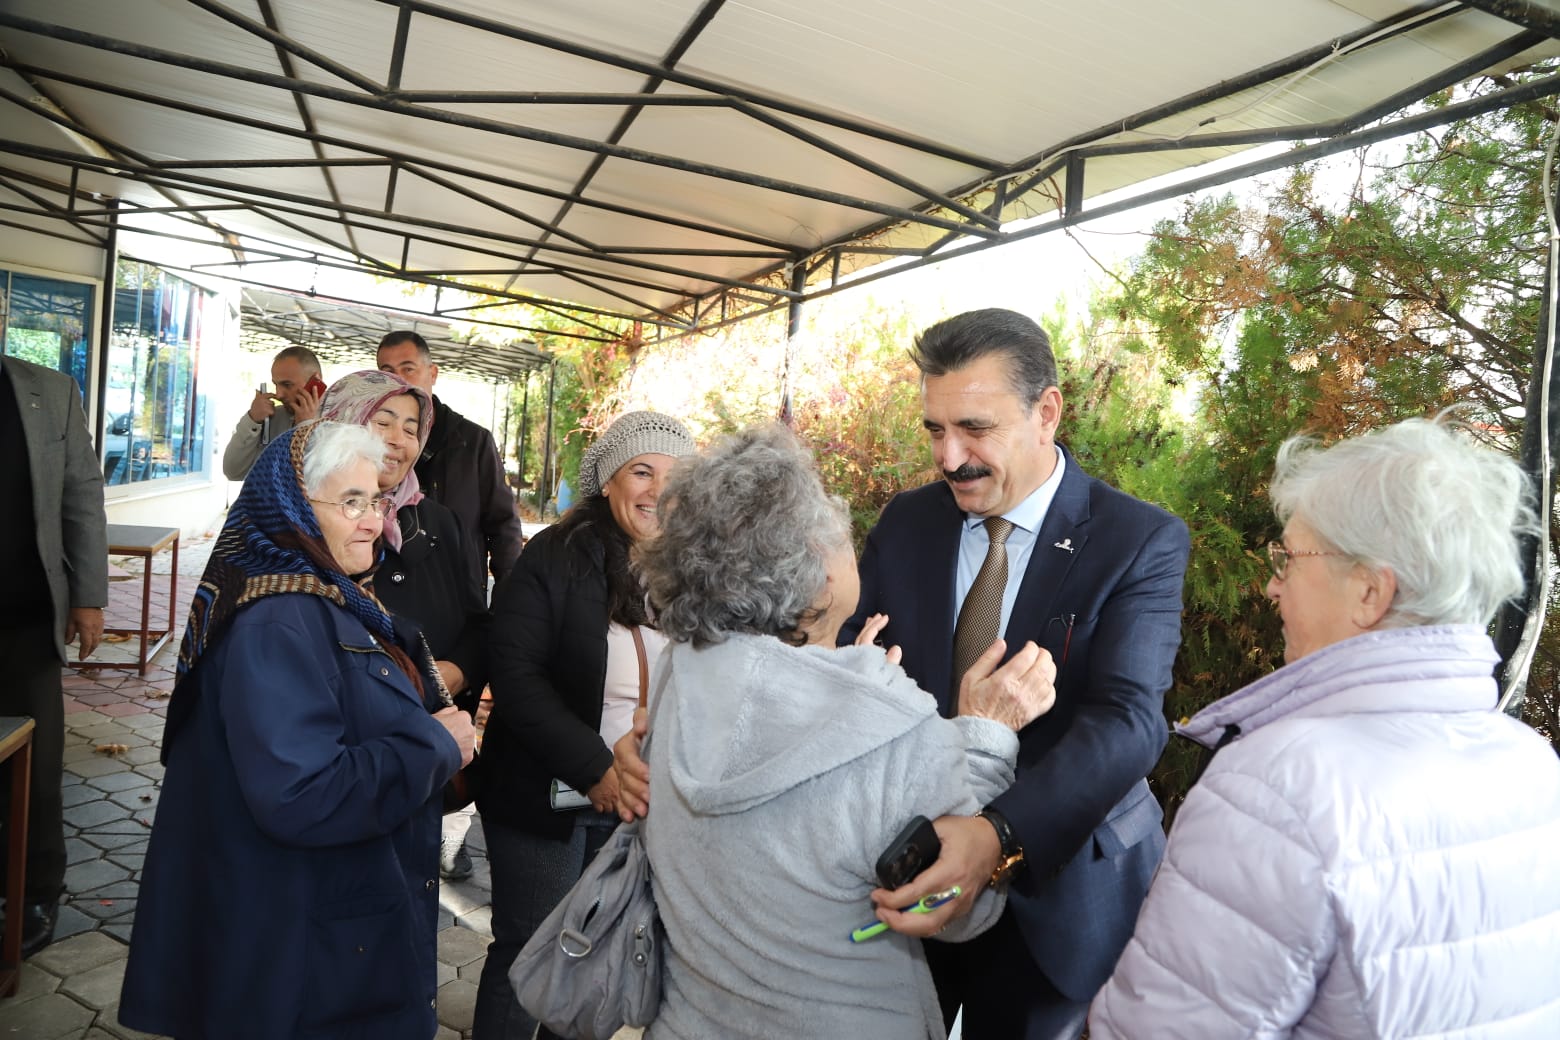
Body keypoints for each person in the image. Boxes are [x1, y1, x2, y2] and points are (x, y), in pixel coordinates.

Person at [1090, 417, 1560, 1039]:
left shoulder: (1276, 788)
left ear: (1369, 591)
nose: (1271, 586)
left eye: (1290, 558)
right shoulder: (1532, 764)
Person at [629, 424, 1054, 1040]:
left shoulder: (680, 669)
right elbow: (958, 910)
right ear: (822, 576)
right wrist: (986, 735)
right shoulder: (888, 720)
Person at [839, 308, 1191, 1039]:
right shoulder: (907, 523)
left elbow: (1128, 722)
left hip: (1059, 903)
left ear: (1047, 413)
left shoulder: (1137, 540)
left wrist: (999, 835)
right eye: (935, 429)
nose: (948, 457)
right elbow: (852, 651)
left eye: (975, 428)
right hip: (915, 883)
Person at [119, 421, 477, 1040]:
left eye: (376, 501)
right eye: (351, 503)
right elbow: (303, 794)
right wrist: (437, 745)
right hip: (300, 950)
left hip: (323, 925)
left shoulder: (325, 596)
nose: (371, 521)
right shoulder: (279, 620)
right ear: (289, 509)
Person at [472, 410, 695, 1040]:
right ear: (607, 483)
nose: (658, 491)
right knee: (528, 947)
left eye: (674, 477)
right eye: (641, 472)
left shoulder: (693, 568)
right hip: (550, 790)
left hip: (642, 800)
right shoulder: (557, 556)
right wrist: (595, 768)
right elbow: (515, 675)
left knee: (599, 953)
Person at [318, 370, 491, 879]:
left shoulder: (437, 522)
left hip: (420, 759)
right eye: (383, 421)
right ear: (340, 425)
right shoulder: (307, 524)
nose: (398, 439)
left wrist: (449, 675)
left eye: (412, 427)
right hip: (340, 766)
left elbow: (479, 627)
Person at [0, 354, 106, 958]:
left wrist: (88, 598)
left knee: (36, 772)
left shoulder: (49, 390)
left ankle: (35, 891)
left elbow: (80, 495)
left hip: (22, 616)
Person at [376, 330, 523, 591]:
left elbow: (504, 525)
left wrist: (508, 596)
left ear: (432, 373)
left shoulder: (473, 441)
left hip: (458, 589)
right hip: (391, 588)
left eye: (408, 369)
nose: (398, 380)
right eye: (387, 371)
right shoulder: (371, 440)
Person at [221, 344, 323, 480]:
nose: (279, 395)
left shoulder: (337, 419)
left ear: (316, 380)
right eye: (276, 385)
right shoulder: (272, 417)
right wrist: (252, 420)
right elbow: (233, 471)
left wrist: (305, 428)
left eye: (287, 385)